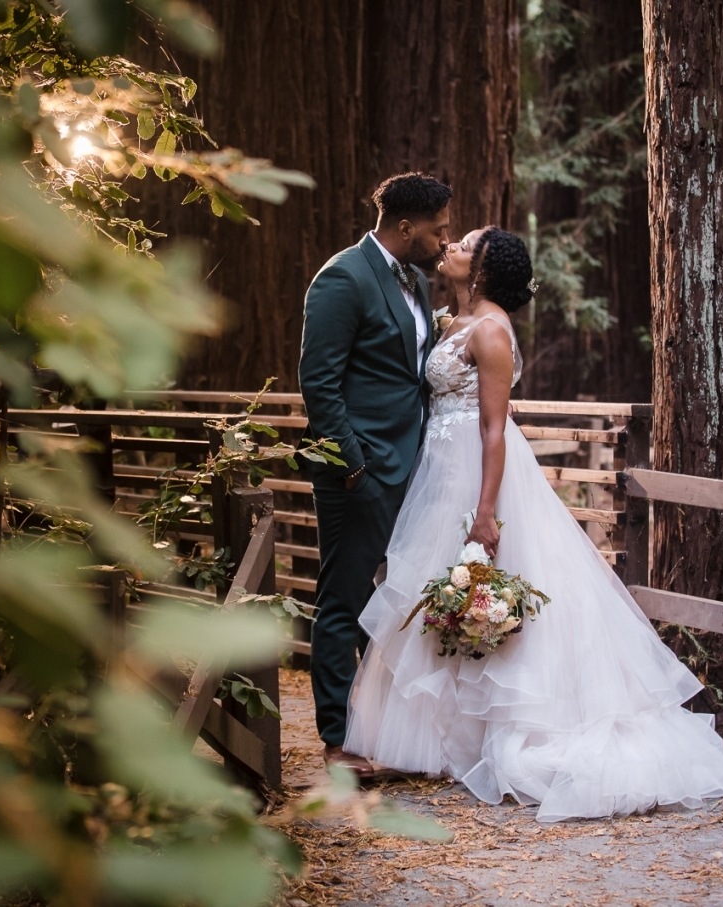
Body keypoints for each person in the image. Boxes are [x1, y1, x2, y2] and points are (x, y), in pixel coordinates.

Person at [344, 227, 723, 821]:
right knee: (440, 595)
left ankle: (506, 734)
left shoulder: (493, 330)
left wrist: (484, 512)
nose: (450, 243)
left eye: (464, 243)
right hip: (437, 472)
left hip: (476, 475)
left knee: (483, 588)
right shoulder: (452, 319)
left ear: (480, 269)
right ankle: (447, 740)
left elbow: (494, 429)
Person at [299, 172, 452, 778]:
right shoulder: (343, 277)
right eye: (438, 230)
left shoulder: (414, 279)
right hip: (357, 474)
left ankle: (384, 729)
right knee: (343, 601)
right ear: (405, 226)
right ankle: (338, 741)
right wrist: (354, 466)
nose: (445, 240)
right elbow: (320, 383)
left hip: (411, 468)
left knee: (393, 603)